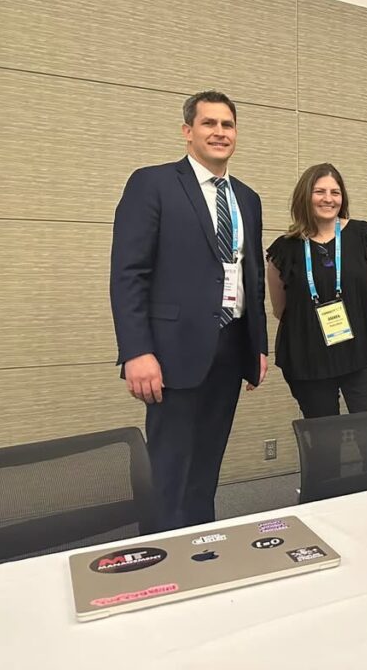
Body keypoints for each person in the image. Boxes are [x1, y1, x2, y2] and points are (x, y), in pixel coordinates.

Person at [110, 91, 268, 531]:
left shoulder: (247, 198)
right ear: (187, 131)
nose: (220, 132)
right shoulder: (153, 183)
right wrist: (136, 351)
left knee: (207, 465)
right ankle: (161, 555)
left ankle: (202, 546)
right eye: (209, 124)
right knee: (169, 468)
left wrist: (258, 345)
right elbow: (129, 274)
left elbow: (250, 278)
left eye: (228, 125)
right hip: (171, 352)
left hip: (231, 345)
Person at [266, 164, 367, 467]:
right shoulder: (284, 248)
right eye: (319, 191)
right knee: (324, 450)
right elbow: (280, 308)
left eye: (335, 192)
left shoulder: (364, 236)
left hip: (362, 353)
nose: (328, 198)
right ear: (305, 197)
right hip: (309, 360)